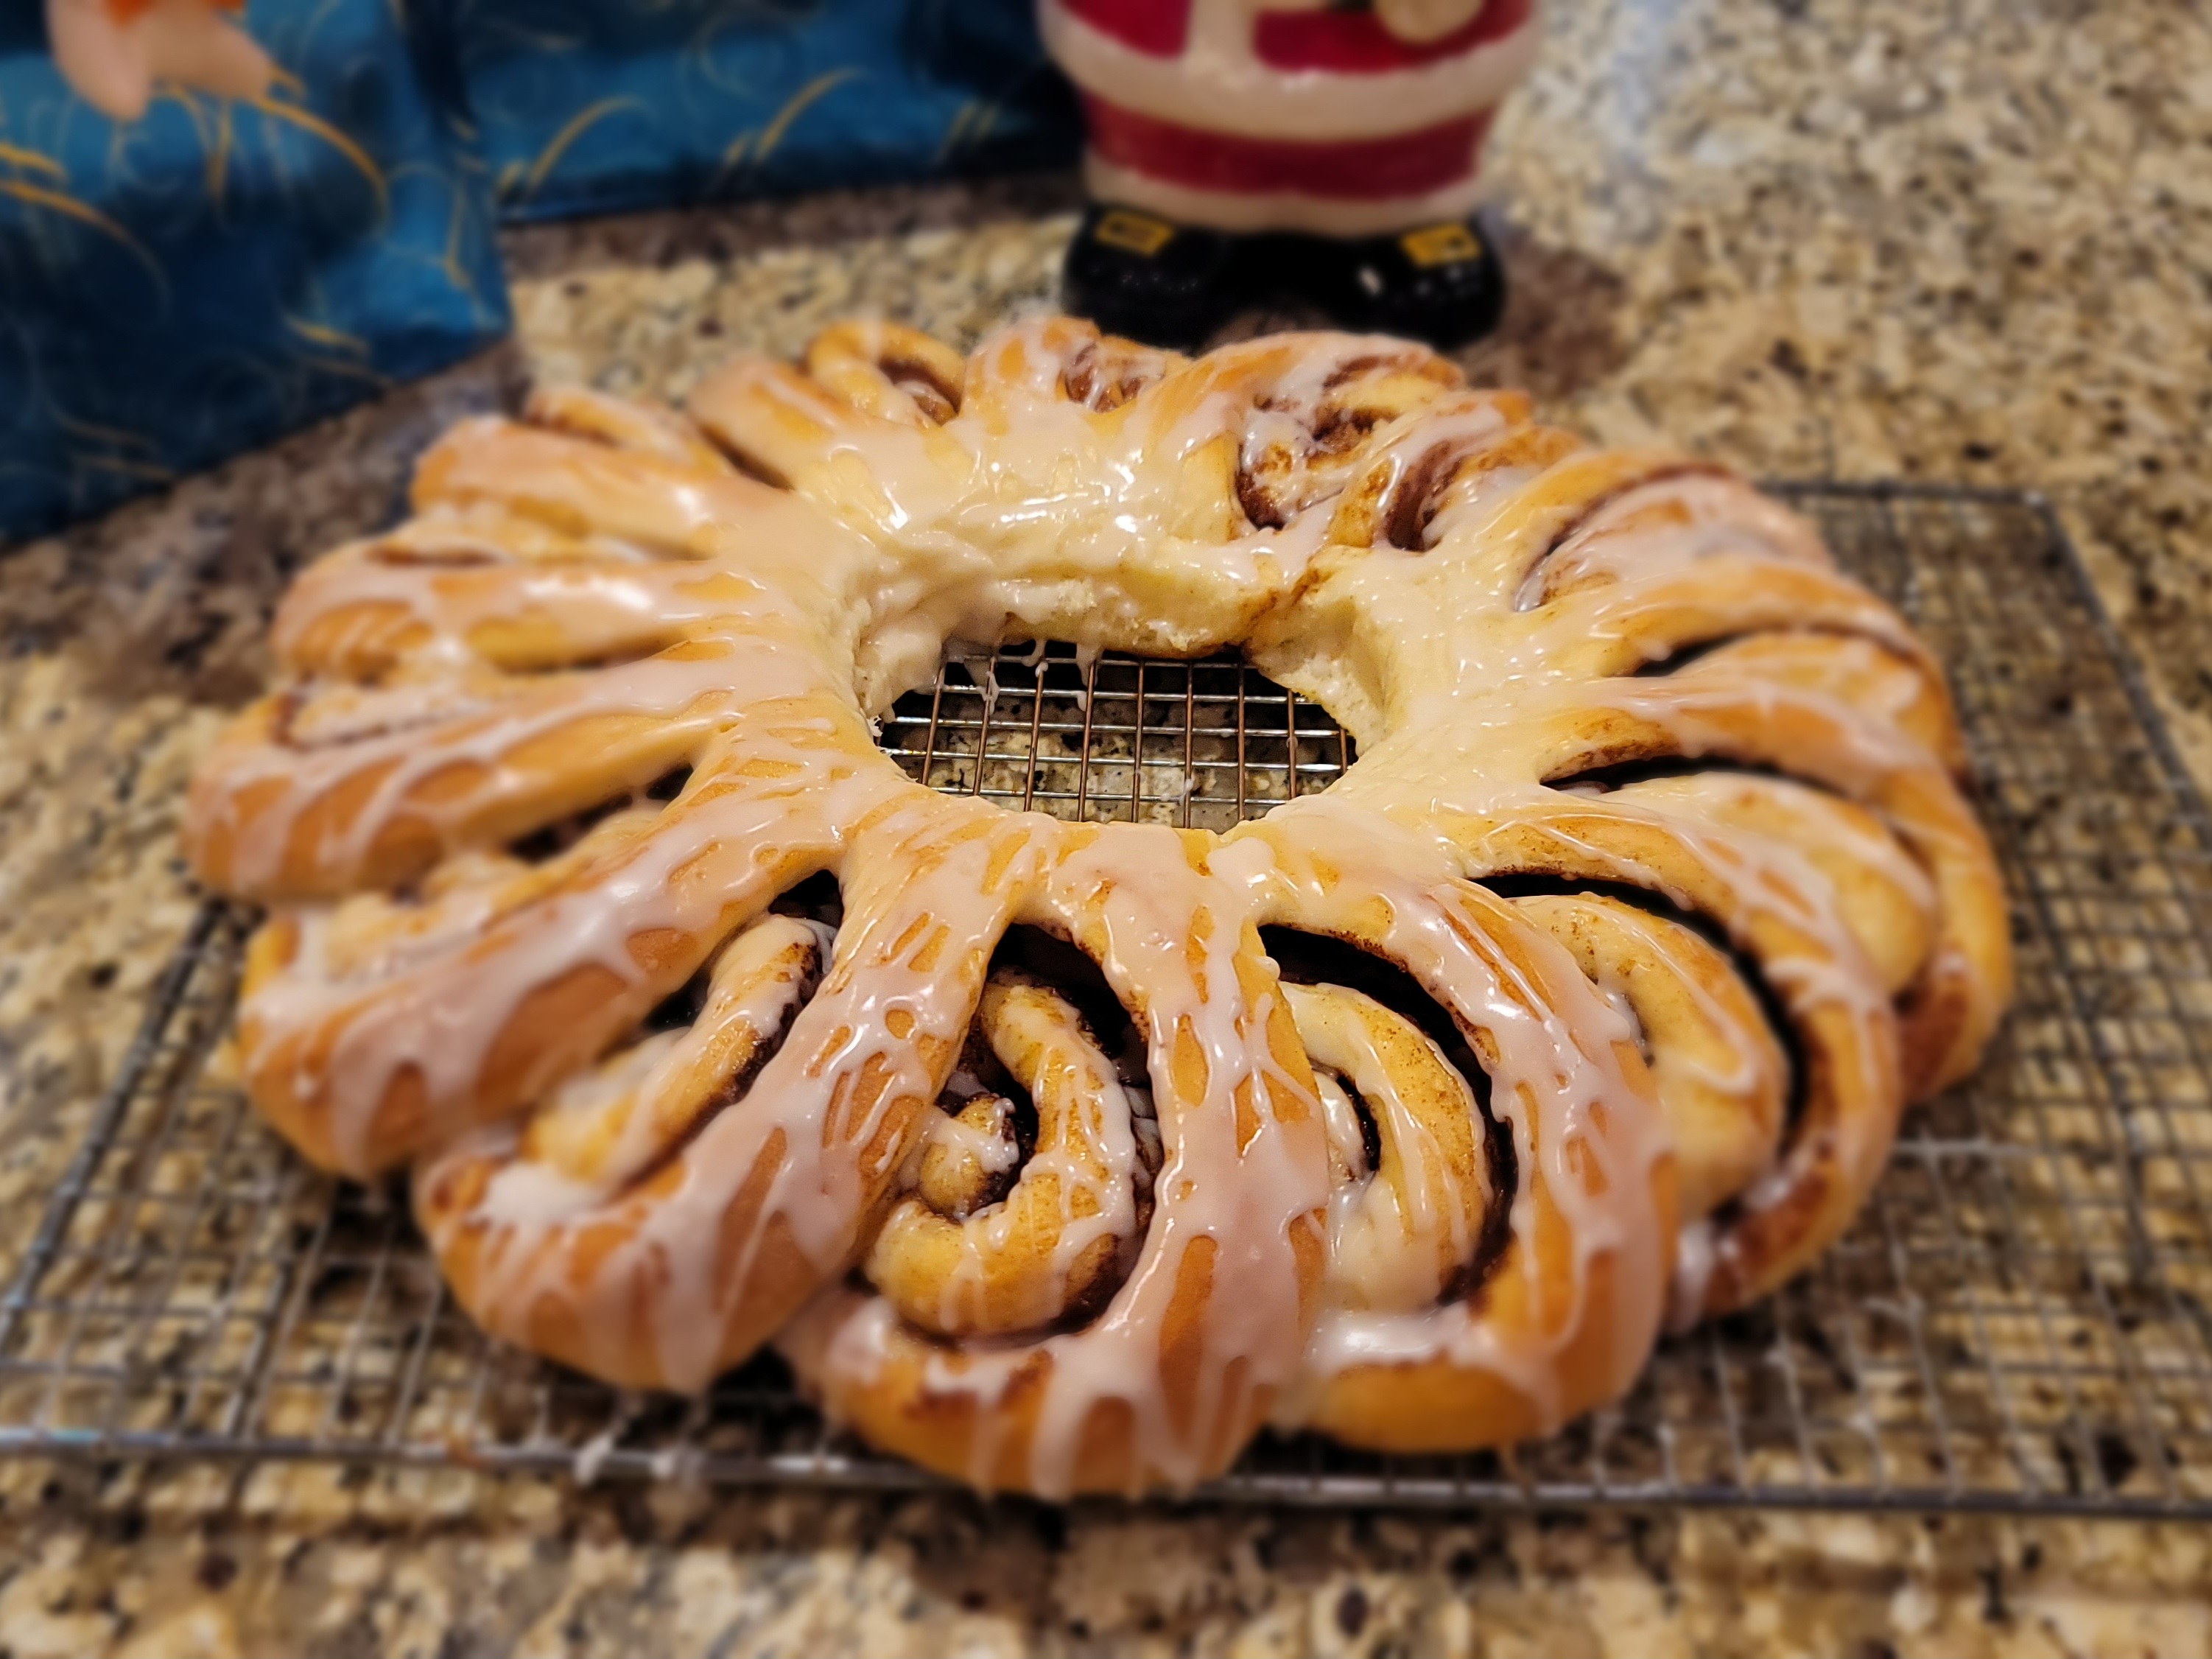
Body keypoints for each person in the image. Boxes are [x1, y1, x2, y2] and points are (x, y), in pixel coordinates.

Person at [1042, 0, 1539, 348]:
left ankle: (1402, 230)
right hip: (1174, 83)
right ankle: (1166, 218)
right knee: (1165, 169)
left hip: (1403, 101)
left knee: (1404, 168)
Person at [45, 0, 273, 123]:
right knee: (123, 100)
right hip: (106, 20)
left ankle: (178, 44)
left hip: (181, 22)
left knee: (254, 75)